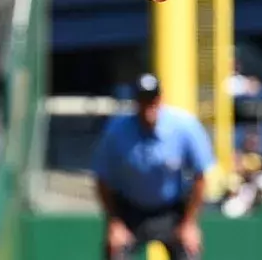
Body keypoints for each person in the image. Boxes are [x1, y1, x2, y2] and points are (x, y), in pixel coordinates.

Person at [91, 74, 214, 260]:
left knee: (189, 251)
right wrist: (115, 222)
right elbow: (102, 177)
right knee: (115, 251)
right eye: (143, 100)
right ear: (136, 102)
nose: (149, 106)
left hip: (173, 209)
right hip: (130, 209)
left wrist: (189, 223)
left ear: (160, 99)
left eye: (152, 99)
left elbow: (201, 176)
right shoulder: (117, 130)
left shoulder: (184, 126)